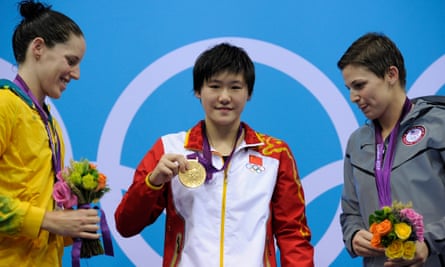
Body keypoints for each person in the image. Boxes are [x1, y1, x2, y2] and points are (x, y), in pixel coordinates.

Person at [115, 43, 314, 266]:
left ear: (249, 93)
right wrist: (152, 183)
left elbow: (293, 234)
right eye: (215, 86)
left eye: (235, 87)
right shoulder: (169, 148)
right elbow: (126, 225)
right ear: (198, 91)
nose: (224, 97)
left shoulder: (275, 153)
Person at [0, 1, 101, 266]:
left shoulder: (50, 124)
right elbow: (41, 218)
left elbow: (40, 210)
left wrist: (72, 221)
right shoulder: (4, 106)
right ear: (38, 48)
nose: (77, 74)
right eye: (71, 61)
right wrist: (48, 220)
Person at [338, 32, 445, 267]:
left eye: (359, 85)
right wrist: (354, 235)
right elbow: (350, 212)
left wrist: (427, 243)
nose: (353, 97)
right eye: (348, 88)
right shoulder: (357, 142)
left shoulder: (439, 125)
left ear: (391, 74)